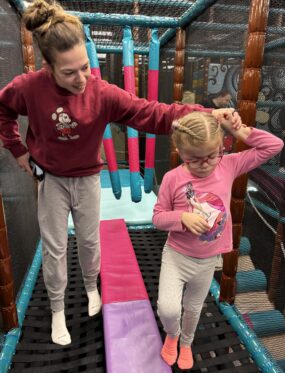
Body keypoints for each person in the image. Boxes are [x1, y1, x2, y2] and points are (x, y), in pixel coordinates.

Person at [0, 0, 241, 346]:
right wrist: (17, 149)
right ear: (48, 67)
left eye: (84, 67)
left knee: (88, 240)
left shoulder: (101, 93)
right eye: (69, 72)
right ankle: (56, 309)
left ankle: (89, 286)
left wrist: (207, 114)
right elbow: (3, 110)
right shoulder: (29, 87)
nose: (81, 78)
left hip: (86, 179)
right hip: (50, 178)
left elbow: (153, 113)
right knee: (54, 247)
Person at [152, 111, 283, 370]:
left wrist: (238, 131)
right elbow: (158, 218)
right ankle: (172, 334)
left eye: (212, 155)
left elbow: (275, 146)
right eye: (195, 159)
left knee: (193, 307)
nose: (206, 164)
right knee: (168, 309)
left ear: (222, 147)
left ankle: (186, 342)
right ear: (180, 151)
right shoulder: (173, 178)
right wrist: (182, 218)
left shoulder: (228, 164)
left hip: (206, 259)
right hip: (177, 256)